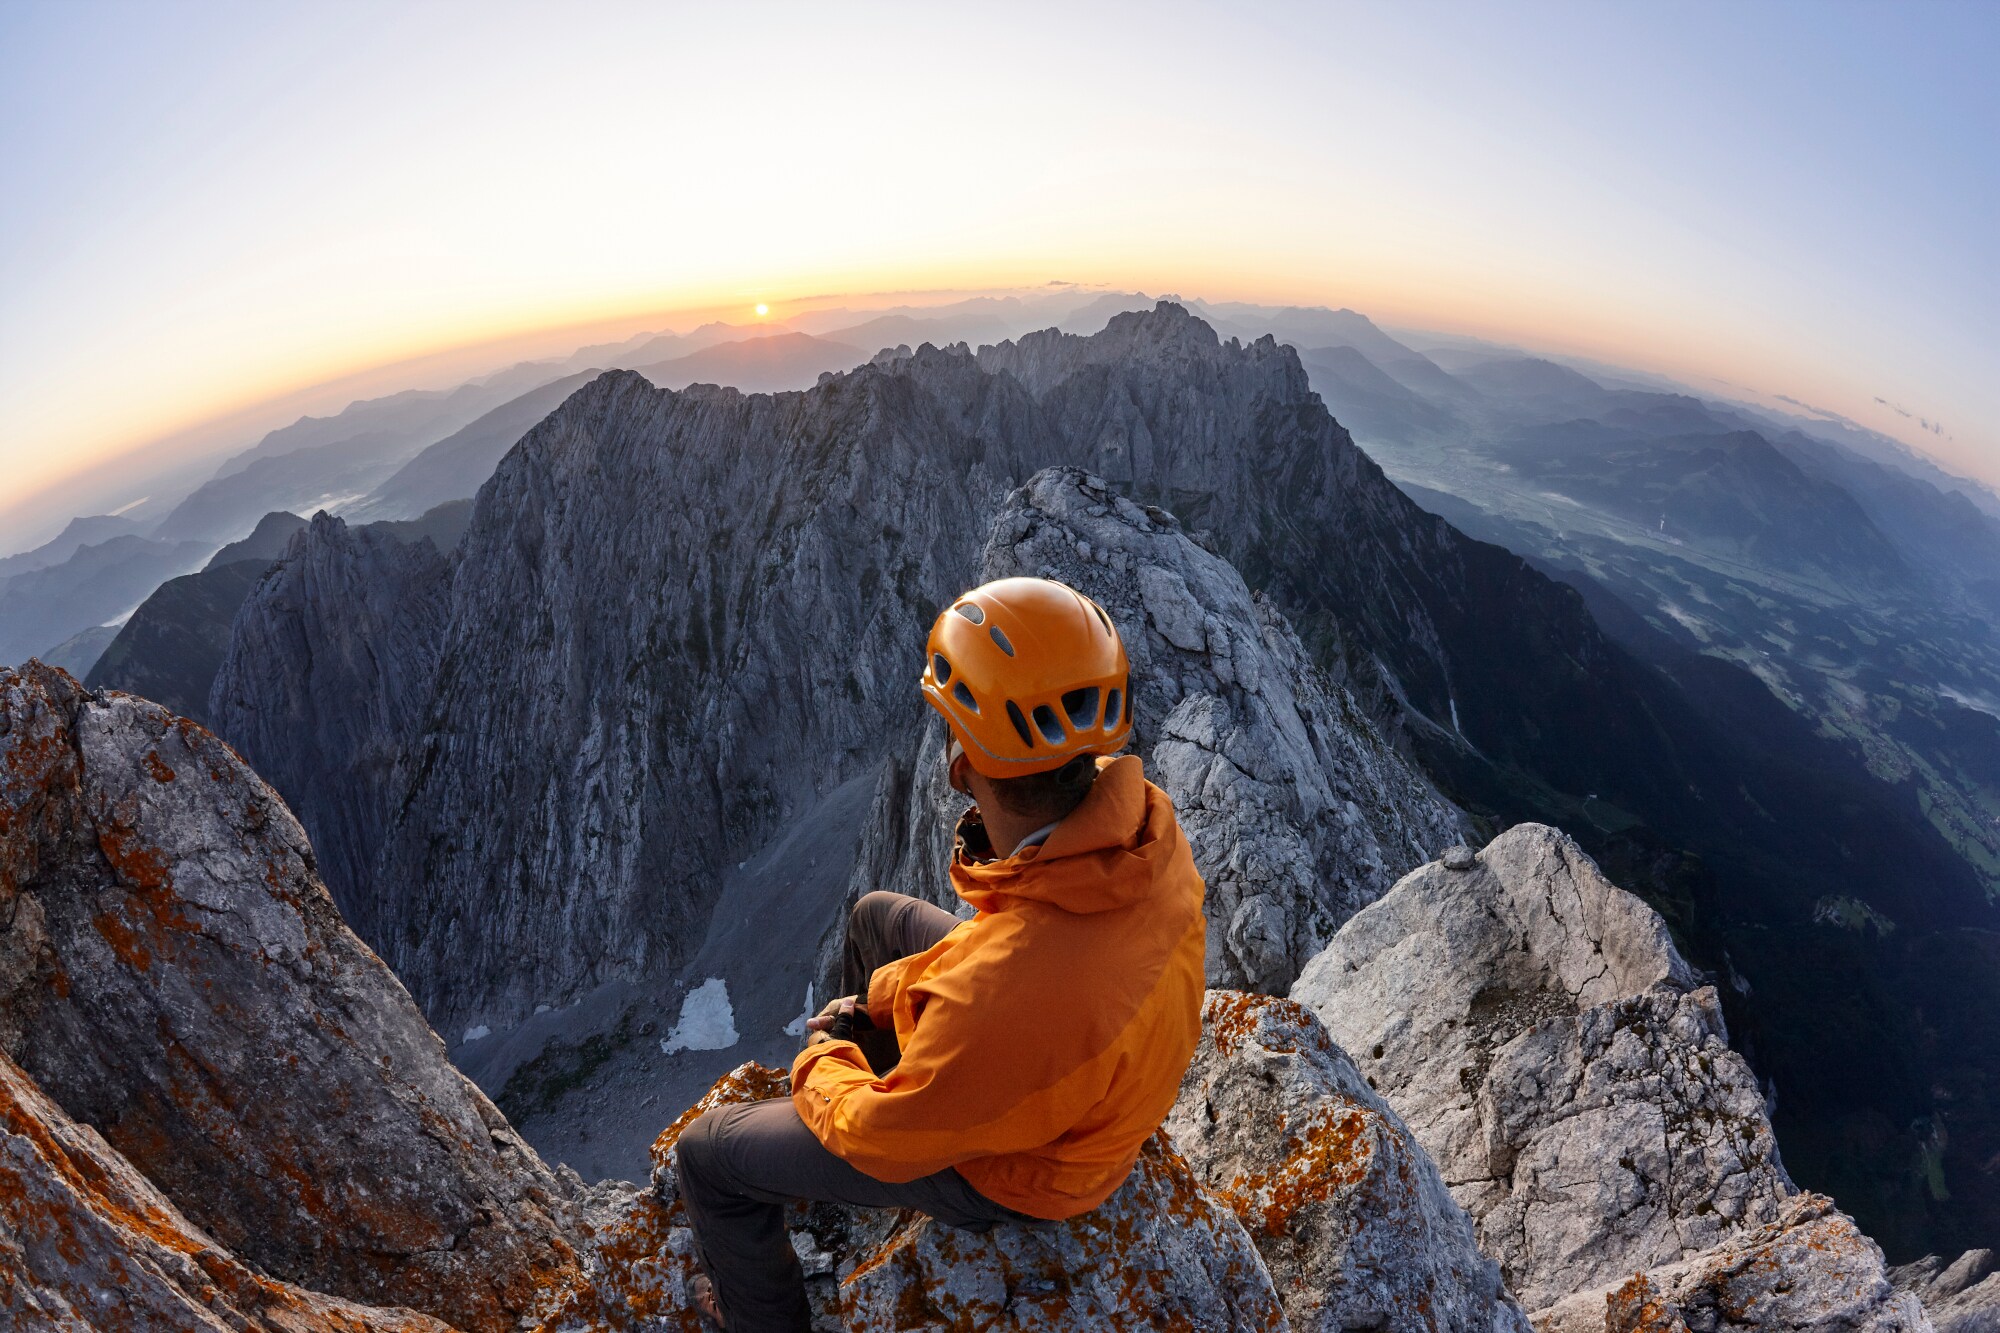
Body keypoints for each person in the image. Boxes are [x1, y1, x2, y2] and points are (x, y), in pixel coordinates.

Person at [673, 576, 1208, 1331]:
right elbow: (1001, 964)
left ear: (963, 765)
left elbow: (881, 1123)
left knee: (708, 1154)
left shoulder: (1007, 987)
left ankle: (762, 1317)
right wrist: (878, 1005)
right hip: (1081, 1057)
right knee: (874, 917)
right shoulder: (1149, 830)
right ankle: (898, 1069)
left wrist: (827, 1053)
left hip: (1030, 1169)